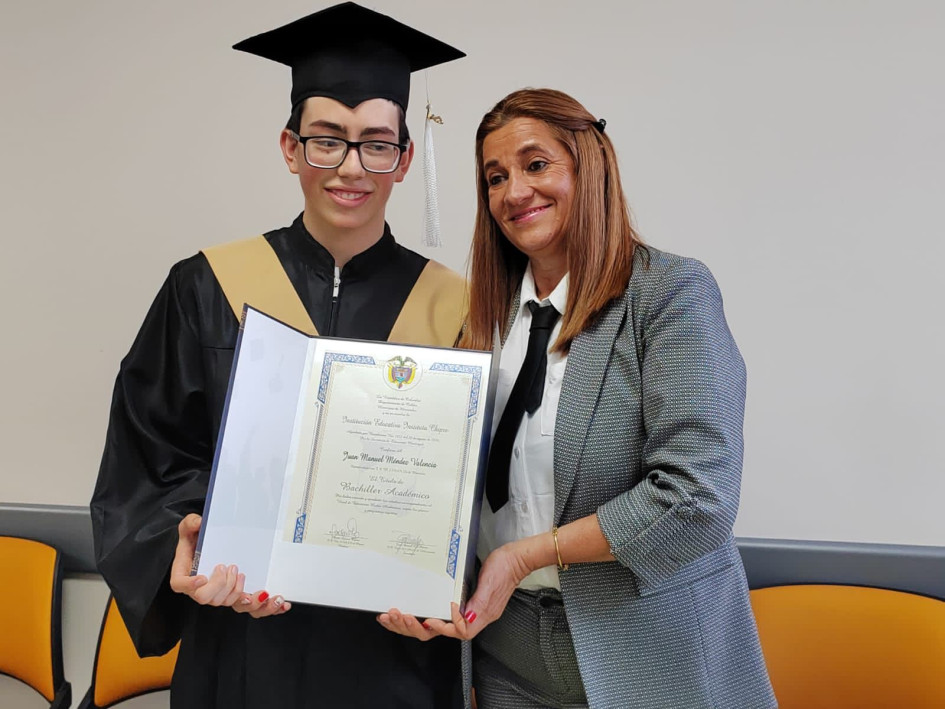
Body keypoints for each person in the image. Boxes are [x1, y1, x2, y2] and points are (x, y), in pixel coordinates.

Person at [90, 4, 469, 707]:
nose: (350, 167)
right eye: (327, 140)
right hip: (241, 645)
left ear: (404, 159)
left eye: (375, 144)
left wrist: (453, 583)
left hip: (392, 660)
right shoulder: (205, 285)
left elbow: (488, 494)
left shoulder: (458, 310)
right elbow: (146, 454)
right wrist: (189, 543)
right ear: (290, 148)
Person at [378, 88, 777, 709]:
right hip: (506, 651)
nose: (514, 193)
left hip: (648, 649)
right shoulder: (480, 322)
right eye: (495, 177)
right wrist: (419, 577)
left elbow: (698, 497)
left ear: (588, 165)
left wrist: (525, 557)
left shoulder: (669, 296)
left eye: (537, 165)